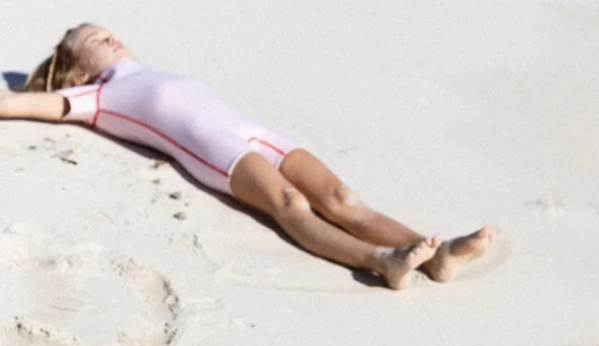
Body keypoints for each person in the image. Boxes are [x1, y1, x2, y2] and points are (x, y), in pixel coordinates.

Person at [0, 24, 493, 289]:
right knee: (289, 203)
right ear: (77, 71)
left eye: (107, 30)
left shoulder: (146, 69)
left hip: (260, 133)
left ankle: (439, 255)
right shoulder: (94, 96)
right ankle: (383, 260)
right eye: (92, 39)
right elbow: (12, 103)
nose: (109, 36)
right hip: (218, 153)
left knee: (342, 197)